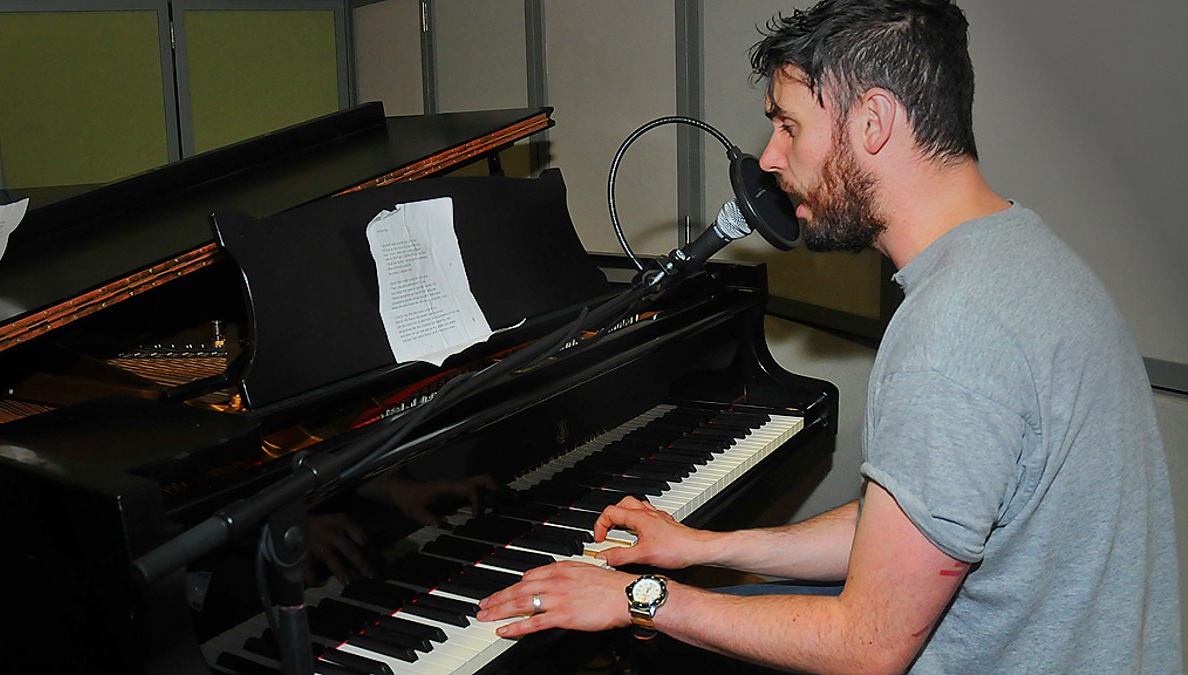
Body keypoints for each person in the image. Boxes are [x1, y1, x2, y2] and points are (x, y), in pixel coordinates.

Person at [477, 0, 1181, 671]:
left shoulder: (952, 333)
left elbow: (864, 648)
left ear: (873, 121)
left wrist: (638, 598)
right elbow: (910, 532)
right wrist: (705, 546)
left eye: (789, 126)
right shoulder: (1020, 252)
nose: (770, 159)